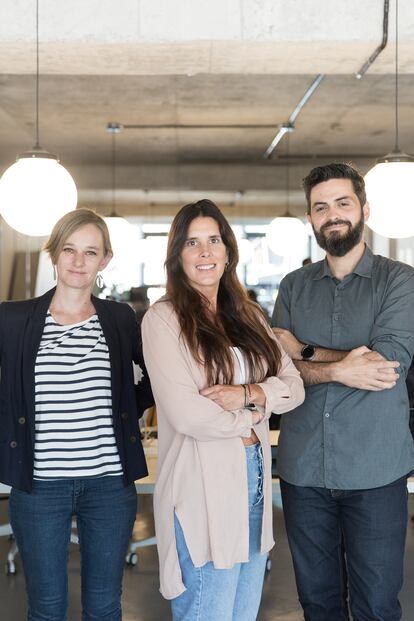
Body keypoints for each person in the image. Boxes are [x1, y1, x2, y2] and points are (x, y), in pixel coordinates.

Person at [142, 199, 304, 620]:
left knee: (242, 611)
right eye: (192, 242)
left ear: (229, 250)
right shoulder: (164, 320)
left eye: (214, 240)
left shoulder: (248, 315)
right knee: (207, 609)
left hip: (253, 477)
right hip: (200, 484)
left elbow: (294, 386)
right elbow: (188, 415)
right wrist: (256, 411)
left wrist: (245, 391)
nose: (205, 252)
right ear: (177, 255)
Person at [272, 162, 414, 621]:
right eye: (320, 207)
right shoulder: (294, 286)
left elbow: (384, 367)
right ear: (311, 219)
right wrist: (340, 369)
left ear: (364, 210)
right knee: (317, 604)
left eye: (342, 203)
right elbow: (279, 369)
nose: (332, 215)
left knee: (376, 607)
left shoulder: (401, 281)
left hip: (375, 473)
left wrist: (306, 351)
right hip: (303, 471)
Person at [1, 208, 153, 621]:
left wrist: (126, 411)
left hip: (107, 486)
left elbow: (154, 377)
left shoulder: (120, 318)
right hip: (39, 488)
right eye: (69, 249)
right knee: (47, 607)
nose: (78, 261)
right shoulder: (13, 319)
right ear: (54, 253)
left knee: (104, 606)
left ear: (104, 260)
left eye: (91, 252)